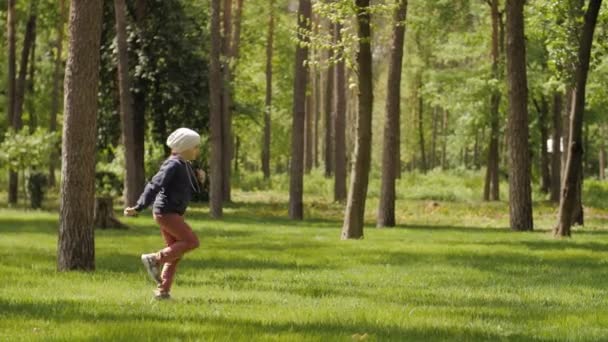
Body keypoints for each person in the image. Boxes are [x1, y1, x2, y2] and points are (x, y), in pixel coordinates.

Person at [124, 127, 205, 300]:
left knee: (175, 253)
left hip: (172, 212)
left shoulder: (185, 165)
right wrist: (139, 206)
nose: (198, 150)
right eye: (195, 146)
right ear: (185, 147)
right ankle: (154, 259)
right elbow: (155, 184)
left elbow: (191, 190)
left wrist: (199, 179)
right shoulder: (173, 164)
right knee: (191, 241)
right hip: (166, 212)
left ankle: (162, 292)